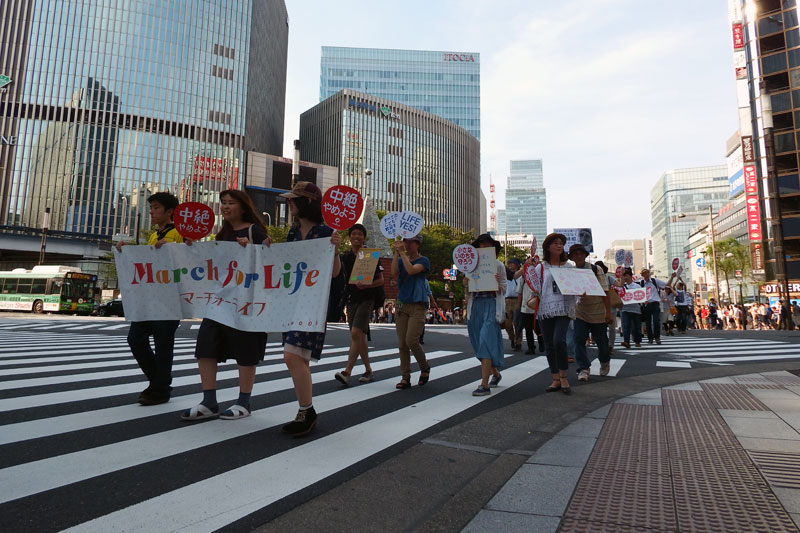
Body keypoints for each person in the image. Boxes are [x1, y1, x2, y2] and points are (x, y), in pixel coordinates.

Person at [181, 189, 269, 422]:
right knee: (205, 347)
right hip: (219, 301)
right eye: (223, 203)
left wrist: (252, 248)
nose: (226, 206)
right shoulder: (222, 234)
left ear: (243, 206)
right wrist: (191, 248)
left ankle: (244, 401)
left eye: (231, 203)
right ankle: (209, 401)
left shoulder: (255, 231)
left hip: (247, 303)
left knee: (245, 351)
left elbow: (270, 263)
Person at [116, 192, 183, 406]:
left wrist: (172, 250)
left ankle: (159, 388)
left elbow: (191, 257)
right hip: (150, 298)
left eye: (156, 208)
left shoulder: (180, 233)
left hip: (170, 298)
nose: (151, 212)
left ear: (170, 211)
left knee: (163, 345)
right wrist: (127, 252)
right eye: (151, 208)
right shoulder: (155, 236)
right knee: (135, 339)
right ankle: (159, 382)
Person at [334, 224, 384, 386]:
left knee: (356, 332)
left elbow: (381, 279)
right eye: (353, 234)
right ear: (349, 237)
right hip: (351, 299)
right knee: (359, 336)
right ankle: (368, 370)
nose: (356, 237)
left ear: (364, 237)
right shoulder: (345, 257)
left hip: (367, 298)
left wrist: (367, 285)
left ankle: (347, 371)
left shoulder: (369, 255)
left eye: (360, 234)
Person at [535, 233, 576, 394]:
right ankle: (555, 378)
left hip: (564, 307)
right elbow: (534, 286)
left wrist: (581, 292)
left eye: (561, 243)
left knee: (559, 340)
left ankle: (564, 376)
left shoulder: (568, 267)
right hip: (545, 308)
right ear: (548, 246)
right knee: (549, 344)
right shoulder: (541, 267)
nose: (559, 246)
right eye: (555, 243)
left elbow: (576, 285)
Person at [465, 234, 506, 396]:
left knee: (485, 339)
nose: (484, 248)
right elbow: (468, 292)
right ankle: (495, 373)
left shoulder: (499, 266)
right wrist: (465, 284)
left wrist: (496, 284)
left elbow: (504, 287)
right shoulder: (471, 266)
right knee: (478, 342)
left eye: (487, 246)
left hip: (491, 305)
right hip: (475, 307)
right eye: (481, 245)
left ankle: (484, 384)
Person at [391, 234, 432, 389]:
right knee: (402, 344)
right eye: (405, 241)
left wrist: (401, 253)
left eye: (411, 242)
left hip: (418, 304)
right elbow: (394, 273)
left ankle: (424, 366)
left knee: (411, 340)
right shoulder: (401, 259)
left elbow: (412, 270)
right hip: (402, 304)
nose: (407, 244)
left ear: (418, 244)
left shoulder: (424, 260)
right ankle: (405, 377)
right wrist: (396, 253)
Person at [569, 244, 612, 382]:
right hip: (580, 311)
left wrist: (608, 312)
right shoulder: (570, 271)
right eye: (575, 254)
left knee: (602, 342)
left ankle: (605, 361)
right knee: (578, 339)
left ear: (585, 255)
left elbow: (605, 291)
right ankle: (583, 368)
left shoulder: (595, 269)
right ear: (572, 257)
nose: (578, 255)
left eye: (581, 253)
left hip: (598, 311)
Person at [516, 257, 544, 354]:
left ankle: (542, 343)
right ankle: (531, 347)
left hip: (538, 306)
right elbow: (519, 292)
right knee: (528, 328)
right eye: (530, 262)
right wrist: (518, 305)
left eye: (534, 262)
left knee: (539, 327)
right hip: (526, 306)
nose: (532, 264)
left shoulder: (540, 275)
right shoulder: (523, 277)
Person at [639, 268, 669, 345]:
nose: (646, 274)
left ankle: (657, 337)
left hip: (655, 303)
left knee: (656, 321)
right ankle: (650, 338)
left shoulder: (655, 281)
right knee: (648, 322)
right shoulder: (641, 283)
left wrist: (672, 277)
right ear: (642, 275)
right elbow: (639, 294)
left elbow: (666, 285)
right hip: (647, 304)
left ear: (649, 274)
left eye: (647, 273)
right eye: (644, 273)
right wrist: (643, 301)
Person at [618, 268, 643, 348]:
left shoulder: (637, 286)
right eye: (624, 276)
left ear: (631, 276)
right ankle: (626, 341)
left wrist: (644, 301)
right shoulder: (623, 287)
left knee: (636, 327)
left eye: (626, 275)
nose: (625, 277)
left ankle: (637, 341)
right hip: (625, 309)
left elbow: (642, 296)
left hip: (636, 309)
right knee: (626, 325)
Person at [503, 258, 521, 351]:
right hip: (507, 300)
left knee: (518, 322)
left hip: (517, 299)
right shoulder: (505, 275)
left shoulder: (520, 275)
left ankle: (518, 342)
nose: (510, 265)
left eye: (512, 263)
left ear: (517, 265)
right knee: (507, 323)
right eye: (509, 263)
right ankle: (512, 338)